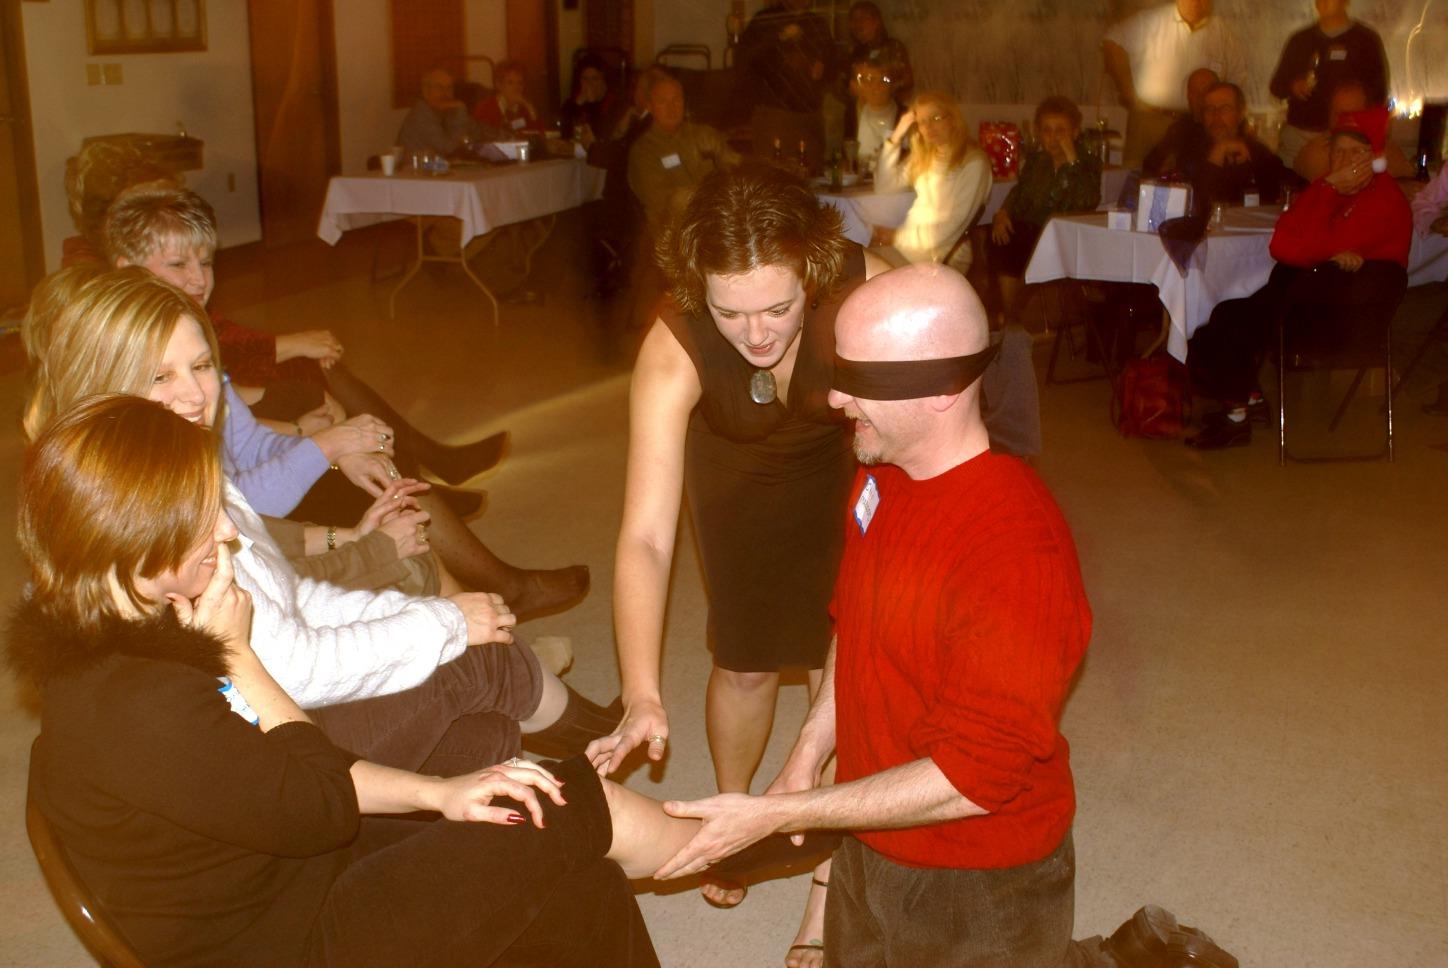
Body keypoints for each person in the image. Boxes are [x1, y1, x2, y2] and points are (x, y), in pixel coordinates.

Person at [6, 394, 824, 968]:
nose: (226, 530)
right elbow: (318, 794)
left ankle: (736, 845)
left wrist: (442, 794)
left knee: (568, 863)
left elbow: (291, 782)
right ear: (133, 547)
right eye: (199, 518)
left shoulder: (138, 635)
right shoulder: (142, 699)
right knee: (569, 802)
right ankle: (746, 846)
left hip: (288, 874)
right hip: (292, 939)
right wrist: (239, 655)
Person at [647, 263, 1110, 967]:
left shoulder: (1016, 552)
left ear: (944, 389)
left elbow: (971, 780)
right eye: (839, 372)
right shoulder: (880, 473)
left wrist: (781, 814)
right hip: (871, 836)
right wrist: (806, 757)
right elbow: (855, 626)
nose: (835, 398)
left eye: (858, 380)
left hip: (978, 883)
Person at [25, 268, 620, 771]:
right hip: (261, 754)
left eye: (202, 367)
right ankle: (605, 739)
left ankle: (568, 785)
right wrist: (441, 625)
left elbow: (288, 596)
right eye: (160, 376)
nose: (195, 396)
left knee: (484, 735)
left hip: (272, 710)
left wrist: (420, 616)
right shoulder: (149, 516)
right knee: (480, 664)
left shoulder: (176, 468)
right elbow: (295, 668)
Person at [587, 164, 888, 966]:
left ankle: (826, 875)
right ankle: (736, 817)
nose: (756, 335)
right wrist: (642, 690)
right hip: (735, 466)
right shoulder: (673, 345)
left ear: (813, 273)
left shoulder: (867, 289)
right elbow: (646, 537)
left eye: (779, 308)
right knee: (745, 658)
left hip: (850, 461)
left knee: (843, 666)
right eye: (730, 311)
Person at [101, 184, 590, 620]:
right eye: (178, 265)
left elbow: (248, 444)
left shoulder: (188, 341)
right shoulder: (131, 367)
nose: (199, 280)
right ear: (126, 269)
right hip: (231, 550)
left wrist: (332, 447)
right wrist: (325, 446)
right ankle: (494, 604)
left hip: (254, 512)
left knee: (378, 474)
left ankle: (483, 616)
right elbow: (235, 509)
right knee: (383, 493)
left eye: (206, 262)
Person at [1186, 107, 1411, 449]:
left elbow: (1299, 249)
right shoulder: (1327, 186)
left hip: (1341, 317)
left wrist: (1316, 246)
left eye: (1356, 152)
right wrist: (1326, 208)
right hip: (1307, 293)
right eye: (1337, 151)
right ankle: (1245, 400)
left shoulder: (1384, 201)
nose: (1343, 160)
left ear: (1375, 158)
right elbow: (1282, 244)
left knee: (1235, 324)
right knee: (1221, 317)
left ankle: (1237, 416)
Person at [989, 96, 1103, 322]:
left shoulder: (1088, 163)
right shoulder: (1037, 161)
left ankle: (1011, 317)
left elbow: (1087, 201)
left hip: (1063, 235)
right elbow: (1018, 193)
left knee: (1019, 241)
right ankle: (1010, 315)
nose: (1053, 137)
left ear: (1075, 132)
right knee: (998, 237)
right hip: (1029, 232)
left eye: (1060, 130)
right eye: (1047, 131)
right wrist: (1002, 213)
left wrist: (1072, 161)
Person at [1102, 0, 1247, 166]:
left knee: (1192, 176)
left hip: (1196, 129)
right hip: (1150, 121)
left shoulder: (1223, 34)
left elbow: (1237, 79)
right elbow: (1111, 41)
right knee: (1137, 174)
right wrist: (1130, 94)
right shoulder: (1151, 21)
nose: (1197, 2)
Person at [870, 91, 992, 273]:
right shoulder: (927, 156)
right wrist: (896, 135)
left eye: (936, 118)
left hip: (941, 256)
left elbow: (953, 225)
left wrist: (897, 237)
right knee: (857, 260)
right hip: (909, 248)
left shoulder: (974, 163)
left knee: (866, 271)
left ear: (953, 119)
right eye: (922, 121)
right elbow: (884, 187)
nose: (928, 127)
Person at [1269, 0, 1388, 168]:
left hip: (1346, 139)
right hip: (1300, 134)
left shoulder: (1365, 40)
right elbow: (1276, 86)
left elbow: (1378, 93)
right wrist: (1292, 86)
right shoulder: (1300, 40)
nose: (1323, 2)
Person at [626, 72, 741, 237]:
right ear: (650, 107)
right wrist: (714, 196)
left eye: (677, 100)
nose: (672, 108)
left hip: (716, 222)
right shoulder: (643, 151)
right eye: (663, 102)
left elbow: (737, 168)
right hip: (673, 233)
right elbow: (665, 202)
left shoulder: (704, 135)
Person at [739, 0, 835, 174]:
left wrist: (823, 67)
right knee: (775, 174)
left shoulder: (818, 23)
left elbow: (833, 60)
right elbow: (745, 55)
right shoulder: (767, 19)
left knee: (812, 172)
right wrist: (779, 36)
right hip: (774, 114)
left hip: (810, 115)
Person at [1184, 82, 1297, 210]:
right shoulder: (1190, 149)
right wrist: (1218, 151)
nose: (1216, 116)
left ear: (1240, 113)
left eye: (1225, 109)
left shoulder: (1255, 150)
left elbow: (1290, 183)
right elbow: (1195, 204)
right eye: (1209, 109)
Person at [1291, 80, 1414, 182]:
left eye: (1352, 115)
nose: (1343, 121)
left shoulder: (1386, 151)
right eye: (1339, 114)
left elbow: (1410, 186)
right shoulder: (1315, 156)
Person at [396, 68, 494, 157]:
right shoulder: (420, 114)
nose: (445, 93)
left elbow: (479, 133)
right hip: (413, 169)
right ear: (425, 91)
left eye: (449, 88)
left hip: (436, 168)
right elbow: (449, 149)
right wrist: (461, 110)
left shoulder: (447, 110)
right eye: (439, 87)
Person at [1141, 67, 1218, 177]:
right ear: (1188, 97)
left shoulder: (1223, 129)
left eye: (1205, 91)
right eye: (1194, 92)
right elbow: (1150, 165)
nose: (1199, 97)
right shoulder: (1180, 128)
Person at [844, 52, 903, 174]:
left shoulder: (905, 116)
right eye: (869, 80)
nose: (876, 87)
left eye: (883, 80)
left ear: (893, 85)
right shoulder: (852, 114)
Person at [845, 2, 912, 105]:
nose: (857, 24)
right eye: (853, 20)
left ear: (876, 21)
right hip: (858, 111)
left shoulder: (893, 48)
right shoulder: (852, 53)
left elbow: (906, 83)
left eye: (863, 19)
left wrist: (879, 91)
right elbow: (842, 86)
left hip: (888, 110)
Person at [473, 60, 546, 136]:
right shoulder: (485, 108)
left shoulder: (524, 109)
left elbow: (540, 135)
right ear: (499, 85)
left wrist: (530, 109)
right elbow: (480, 135)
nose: (516, 87)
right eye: (510, 82)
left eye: (520, 83)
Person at [559, 54, 616, 144]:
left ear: (604, 81)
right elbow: (563, 129)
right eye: (585, 79)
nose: (589, 83)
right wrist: (576, 104)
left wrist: (593, 104)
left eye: (595, 79)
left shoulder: (613, 104)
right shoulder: (575, 100)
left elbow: (601, 135)